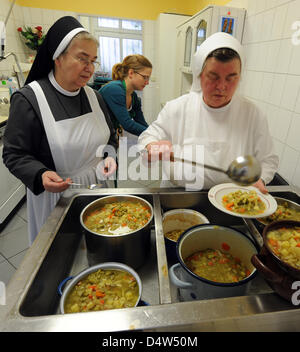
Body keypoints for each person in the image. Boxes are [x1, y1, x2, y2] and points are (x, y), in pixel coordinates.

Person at [2, 16, 118, 245]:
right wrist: (40, 174)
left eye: (93, 61)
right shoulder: (30, 99)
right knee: (62, 256)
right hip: (56, 198)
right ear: (58, 57)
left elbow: (111, 139)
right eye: (82, 59)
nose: (90, 69)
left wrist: (109, 157)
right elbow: (14, 154)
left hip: (97, 188)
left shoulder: (95, 97)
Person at [138, 32, 279, 193]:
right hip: (177, 194)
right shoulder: (177, 108)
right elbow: (146, 138)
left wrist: (260, 179)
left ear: (240, 77)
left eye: (231, 78)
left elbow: (268, 160)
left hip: (231, 199)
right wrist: (152, 146)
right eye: (213, 77)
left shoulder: (253, 115)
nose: (221, 86)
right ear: (199, 76)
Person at [99, 54, 152, 138]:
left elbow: (141, 122)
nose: (147, 82)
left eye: (148, 78)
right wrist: (153, 134)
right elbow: (127, 124)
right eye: (145, 77)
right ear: (131, 73)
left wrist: (153, 132)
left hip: (108, 135)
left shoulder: (133, 96)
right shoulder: (114, 89)